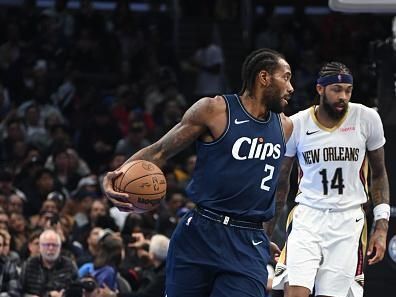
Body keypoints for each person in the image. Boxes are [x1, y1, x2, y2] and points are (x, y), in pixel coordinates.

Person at [103, 48, 294, 297]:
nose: (291, 88)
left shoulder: (285, 127)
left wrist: (265, 235)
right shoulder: (214, 110)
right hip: (200, 231)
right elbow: (160, 150)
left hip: (249, 241)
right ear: (264, 77)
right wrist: (117, 174)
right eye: (286, 77)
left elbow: (279, 188)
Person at [271, 62, 389, 297]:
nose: (343, 96)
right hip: (307, 217)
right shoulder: (297, 123)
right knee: (294, 292)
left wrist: (382, 226)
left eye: (348, 90)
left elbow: (379, 173)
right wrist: (267, 231)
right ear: (320, 89)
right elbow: (281, 182)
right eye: (336, 89)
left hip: (348, 221)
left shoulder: (367, 118)